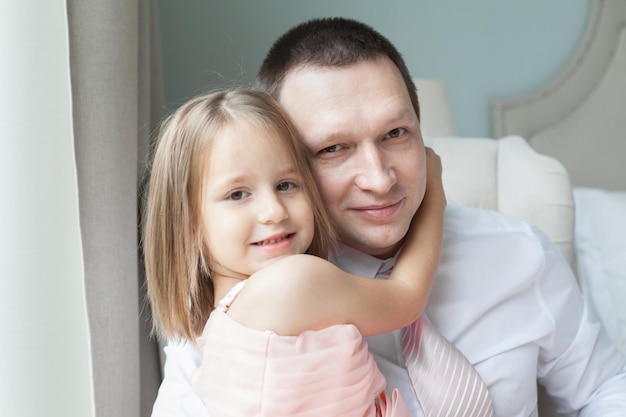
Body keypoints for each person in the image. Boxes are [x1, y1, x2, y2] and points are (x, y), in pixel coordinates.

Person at [152, 17, 626, 417]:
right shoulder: (244, 296)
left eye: (396, 133)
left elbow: (606, 389)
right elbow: (404, 299)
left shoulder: (520, 253)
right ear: (285, 155)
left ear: (423, 132)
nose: (379, 179)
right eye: (333, 148)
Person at [143, 88, 448, 417]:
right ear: (189, 224)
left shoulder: (211, 328)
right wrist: (435, 192)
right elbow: (406, 297)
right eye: (237, 194)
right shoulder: (291, 283)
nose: (273, 211)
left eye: (286, 184)